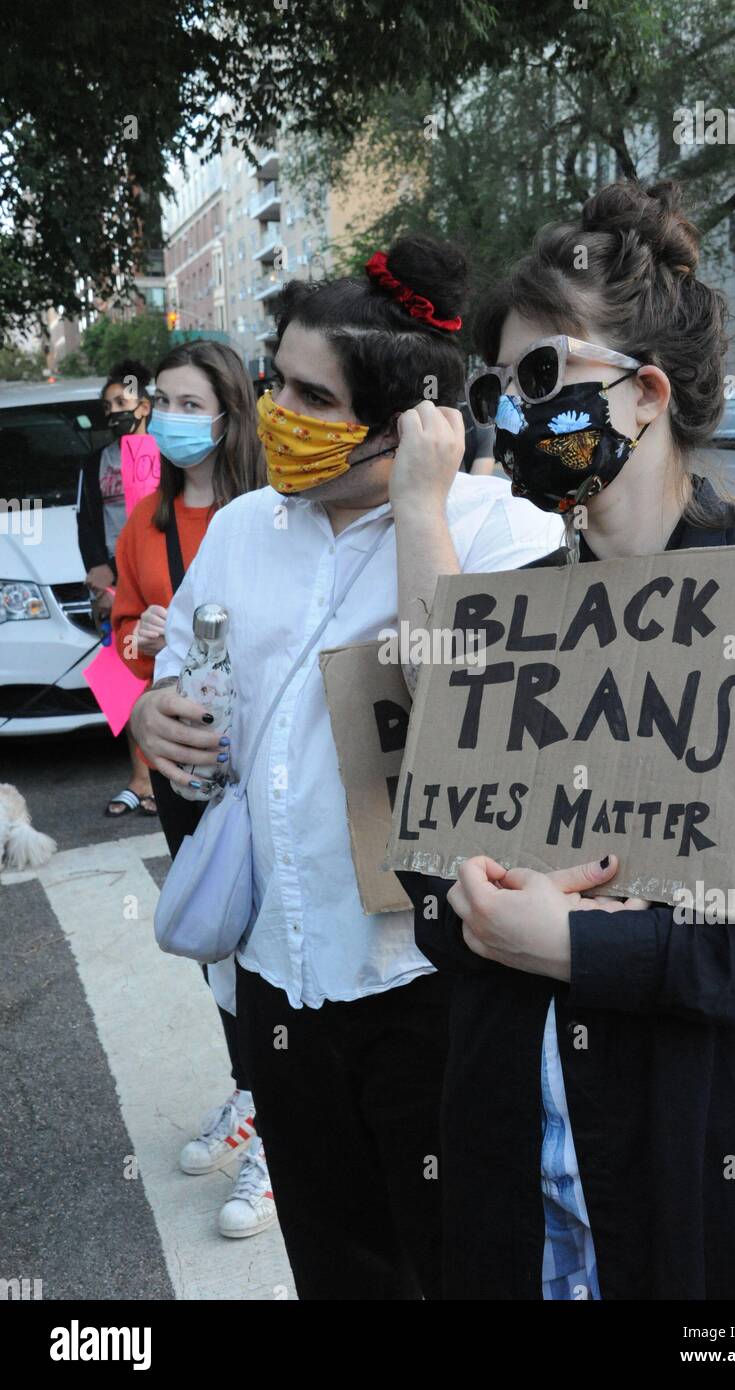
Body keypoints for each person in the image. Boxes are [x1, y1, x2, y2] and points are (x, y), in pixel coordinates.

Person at [397, 180, 735, 1300]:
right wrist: (469, 907)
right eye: (499, 387)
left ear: (646, 394)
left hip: (712, 1170)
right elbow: (421, 869)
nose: (512, 415)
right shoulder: (502, 612)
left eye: (542, 378)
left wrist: (584, 947)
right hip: (520, 1165)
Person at [130, 233, 564, 1299]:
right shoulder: (241, 528)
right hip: (280, 975)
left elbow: (470, 709)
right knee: (338, 1264)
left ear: (412, 420)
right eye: (275, 380)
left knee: (456, 1262)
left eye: (314, 399)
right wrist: (153, 713)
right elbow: (183, 667)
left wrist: (420, 507)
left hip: (432, 987)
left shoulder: (501, 532)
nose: (278, 412)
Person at [113, 339, 274, 1240]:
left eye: (187, 400)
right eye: (159, 401)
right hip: (182, 771)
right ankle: (250, 1093)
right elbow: (119, 647)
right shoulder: (144, 520)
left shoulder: (264, 516)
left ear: (227, 413)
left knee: (269, 949)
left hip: (261, 770)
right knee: (216, 950)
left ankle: (280, 1131)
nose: (168, 416)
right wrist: (142, 658)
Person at [76, 358, 157, 816]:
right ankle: (140, 779)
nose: (112, 412)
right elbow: (87, 522)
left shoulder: (163, 456)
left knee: (165, 675)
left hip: (155, 582)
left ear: (143, 407)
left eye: (120, 402)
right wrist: (98, 570)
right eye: (107, 405)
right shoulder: (96, 462)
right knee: (123, 680)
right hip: (113, 586)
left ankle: (169, 777)